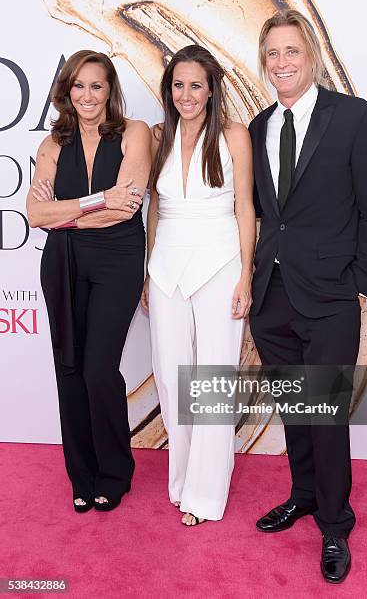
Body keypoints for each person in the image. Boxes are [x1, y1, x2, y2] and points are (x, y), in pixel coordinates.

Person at [248, 10, 367, 582]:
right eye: (273, 55)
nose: (281, 63)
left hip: (331, 296)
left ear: (311, 57)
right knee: (295, 412)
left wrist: (358, 283)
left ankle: (335, 524)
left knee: (326, 415)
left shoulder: (355, 118)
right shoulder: (259, 125)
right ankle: (303, 495)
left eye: (291, 52)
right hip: (274, 296)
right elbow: (266, 215)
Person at [26, 50, 151, 513]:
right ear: (67, 91)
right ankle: (82, 474)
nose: (87, 95)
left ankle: (115, 471)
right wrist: (92, 205)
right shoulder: (53, 144)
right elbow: (36, 214)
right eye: (79, 86)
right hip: (63, 263)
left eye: (97, 86)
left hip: (118, 261)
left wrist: (66, 211)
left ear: (110, 90)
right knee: (71, 369)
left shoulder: (134, 133)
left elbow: (127, 207)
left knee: (100, 369)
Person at [141, 45, 256, 526]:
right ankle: (182, 478)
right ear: (169, 89)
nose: (186, 94)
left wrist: (246, 275)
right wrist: (148, 271)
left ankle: (205, 495)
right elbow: (155, 209)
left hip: (221, 265)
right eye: (178, 84)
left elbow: (246, 207)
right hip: (166, 267)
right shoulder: (157, 136)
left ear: (211, 89)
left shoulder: (233, 134)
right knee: (171, 377)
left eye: (195, 85)